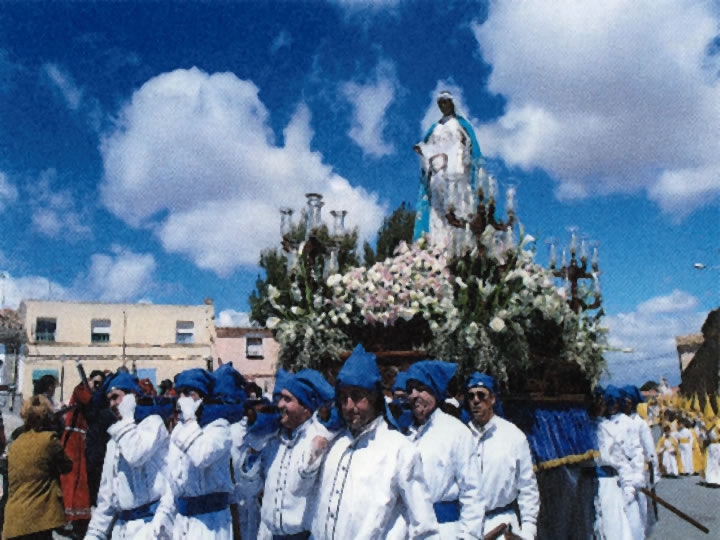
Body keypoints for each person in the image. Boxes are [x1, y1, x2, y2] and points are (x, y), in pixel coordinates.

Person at [310, 345, 440, 539]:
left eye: (356, 397)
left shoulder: (399, 449)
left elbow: (424, 524)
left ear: (374, 398)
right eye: (343, 397)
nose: (349, 406)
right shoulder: (335, 444)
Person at [245, 369, 337, 539]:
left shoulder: (319, 441)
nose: (280, 405)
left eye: (288, 400)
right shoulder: (272, 442)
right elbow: (250, 490)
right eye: (280, 399)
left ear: (306, 408)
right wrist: (254, 454)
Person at [85, 371, 174, 540]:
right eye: (109, 399)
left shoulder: (152, 425)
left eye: (116, 397)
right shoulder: (114, 442)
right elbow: (107, 496)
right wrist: (94, 534)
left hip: (152, 527)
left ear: (132, 396)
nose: (112, 404)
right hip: (123, 530)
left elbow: (135, 453)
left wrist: (158, 525)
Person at [405, 360, 484, 539]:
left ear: (434, 390)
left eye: (420, 388)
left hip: (444, 532)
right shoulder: (406, 434)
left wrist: (469, 536)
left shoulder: (455, 432)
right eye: (410, 390)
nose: (414, 395)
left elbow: (472, 491)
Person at [464, 372, 539, 540]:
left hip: (502, 525)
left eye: (481, 395)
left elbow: (527, 487)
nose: (476, 400)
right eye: (471, 396)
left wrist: (528, 530)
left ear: (492, 399)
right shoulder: (461, 436)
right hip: (468, 527)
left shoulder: (513, 436)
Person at [167, 368, 233, 539]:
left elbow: (201, 456)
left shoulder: (219, 427)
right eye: (179, 393)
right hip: (182, 521)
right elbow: (173, 479)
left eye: (189, 393)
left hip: (210, 523)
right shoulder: (179, 430)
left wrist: (189, 420)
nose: (182, 399)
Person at [413, 90, 482, 249]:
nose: (443, 106)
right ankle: (438, 249)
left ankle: (461, 248)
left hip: (457, 174)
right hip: (438, 177)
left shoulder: (461, 124)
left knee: (459, 209)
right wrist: (423, 151)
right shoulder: (434, 128)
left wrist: (465, 148)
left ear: (452, 103)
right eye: (440, 103)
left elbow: (471, 149)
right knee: (438, 215)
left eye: (445, 102)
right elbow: (428, 149)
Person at [3, 394, 73, 540]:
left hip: (14, 518)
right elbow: (67, 466)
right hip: (39, 517)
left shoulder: (16, 444)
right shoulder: (48, 440)